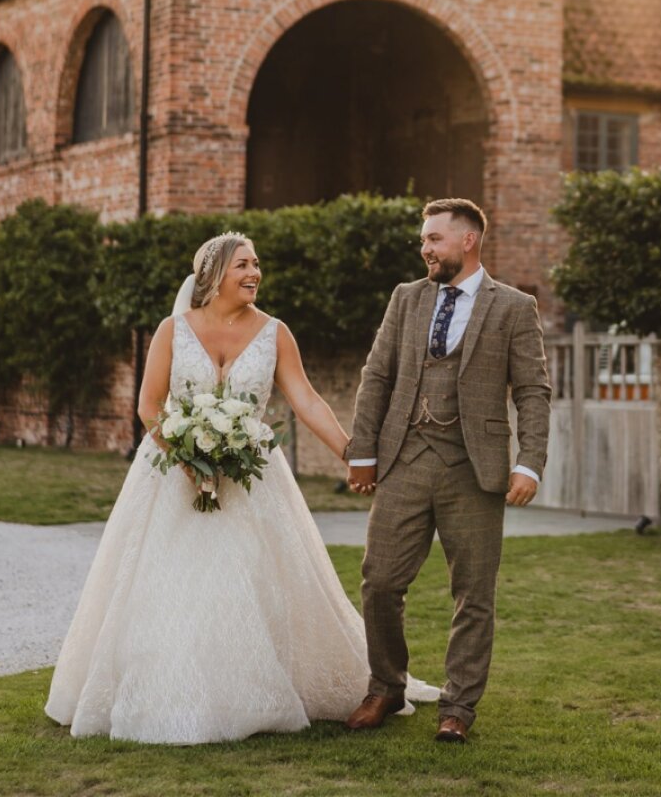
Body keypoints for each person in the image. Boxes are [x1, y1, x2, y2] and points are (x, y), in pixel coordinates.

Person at [45, 232, 436, 743]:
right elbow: (148, 406)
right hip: (171, 475)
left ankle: (256, 691)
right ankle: (174, 694)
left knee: (255, 583)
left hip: (252, 477)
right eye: (243, 266)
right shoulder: (172, 330)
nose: (254, 273)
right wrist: (185, 455)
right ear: (213, 276)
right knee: (171, 585)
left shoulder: (275, 332)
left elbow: (307, 401)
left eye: (256, 264)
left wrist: (352, 453)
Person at [343, 197, 552, 744]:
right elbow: (377, 375)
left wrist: (530, 462)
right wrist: (362, 452)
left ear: (467, 240)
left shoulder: (513, 307)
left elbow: (532, 390)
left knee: (474, 593)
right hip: (403, 458)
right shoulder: (406, 298)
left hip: (474, 468)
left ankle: (458, 706)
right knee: (380, 582)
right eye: (423, 239)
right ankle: (386, 686)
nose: (424, 248)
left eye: (434, 238)